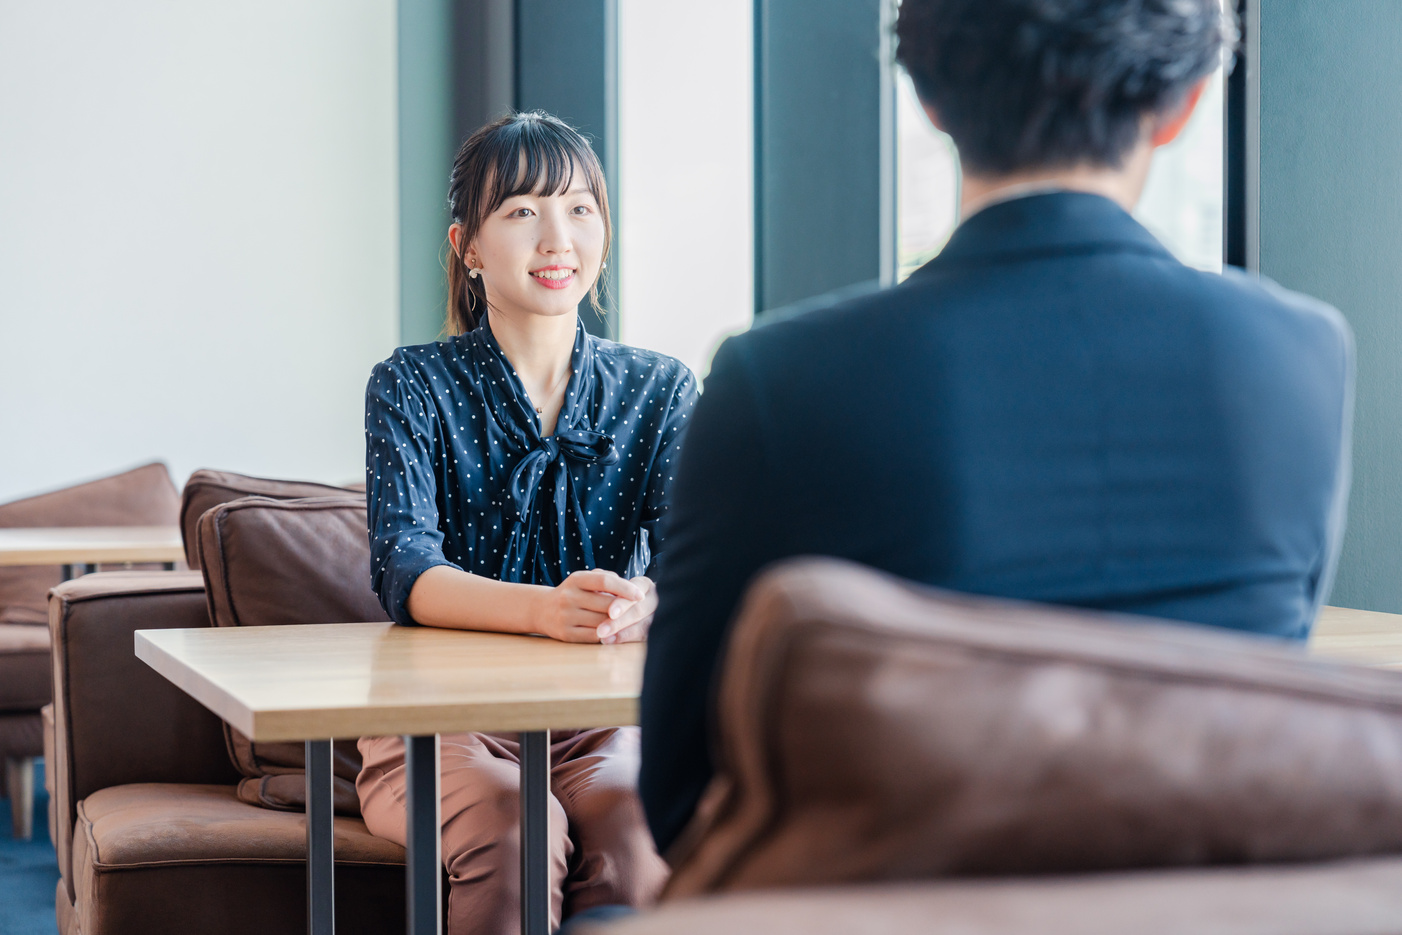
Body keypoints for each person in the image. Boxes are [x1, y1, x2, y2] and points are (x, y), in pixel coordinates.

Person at [640, 0, 1355, 857]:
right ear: (1185, 105)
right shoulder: (1304, 356)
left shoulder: (777, 378)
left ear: (928, 96)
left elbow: (679, 791)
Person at [360, 111, 694, 933]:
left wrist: (647, 599)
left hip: (602, 719)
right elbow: (407, 569)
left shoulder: (661, 387)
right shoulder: (410, 384)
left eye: (581, 209)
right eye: (521, 211)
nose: (558, 237)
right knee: (517, 823)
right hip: (438, 718)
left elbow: (694, 556)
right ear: (468, 246)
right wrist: (546, 610)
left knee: (636, 823)